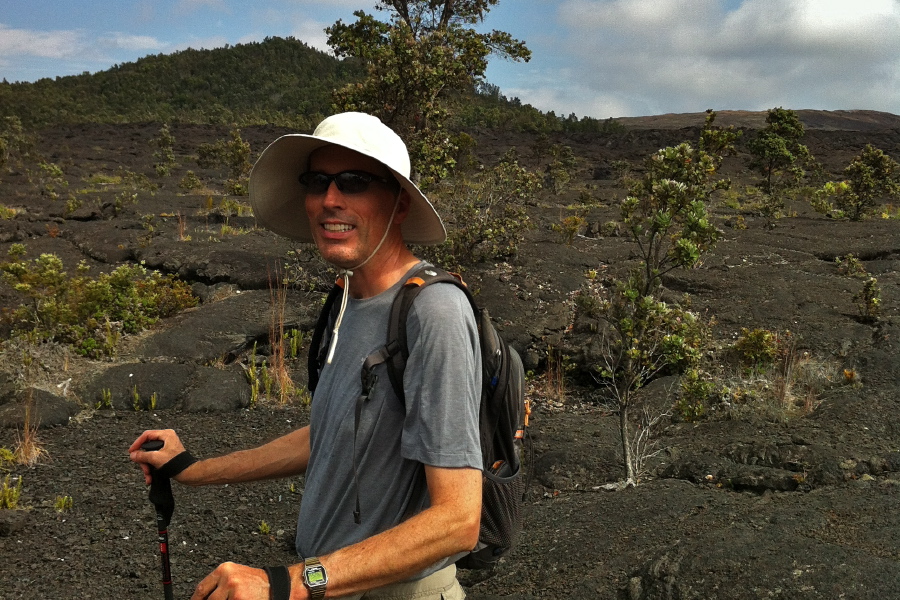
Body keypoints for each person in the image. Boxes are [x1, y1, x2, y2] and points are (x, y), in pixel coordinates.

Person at [129, 112, 483, 600]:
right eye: (318, 182)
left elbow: (458, 521)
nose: (329, 199)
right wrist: (192, 468)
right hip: (336, 585)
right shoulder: (345, 300)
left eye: (354, 182)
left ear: (399, 204)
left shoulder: (434, 312)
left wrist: (285, 582)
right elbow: (332, 434)